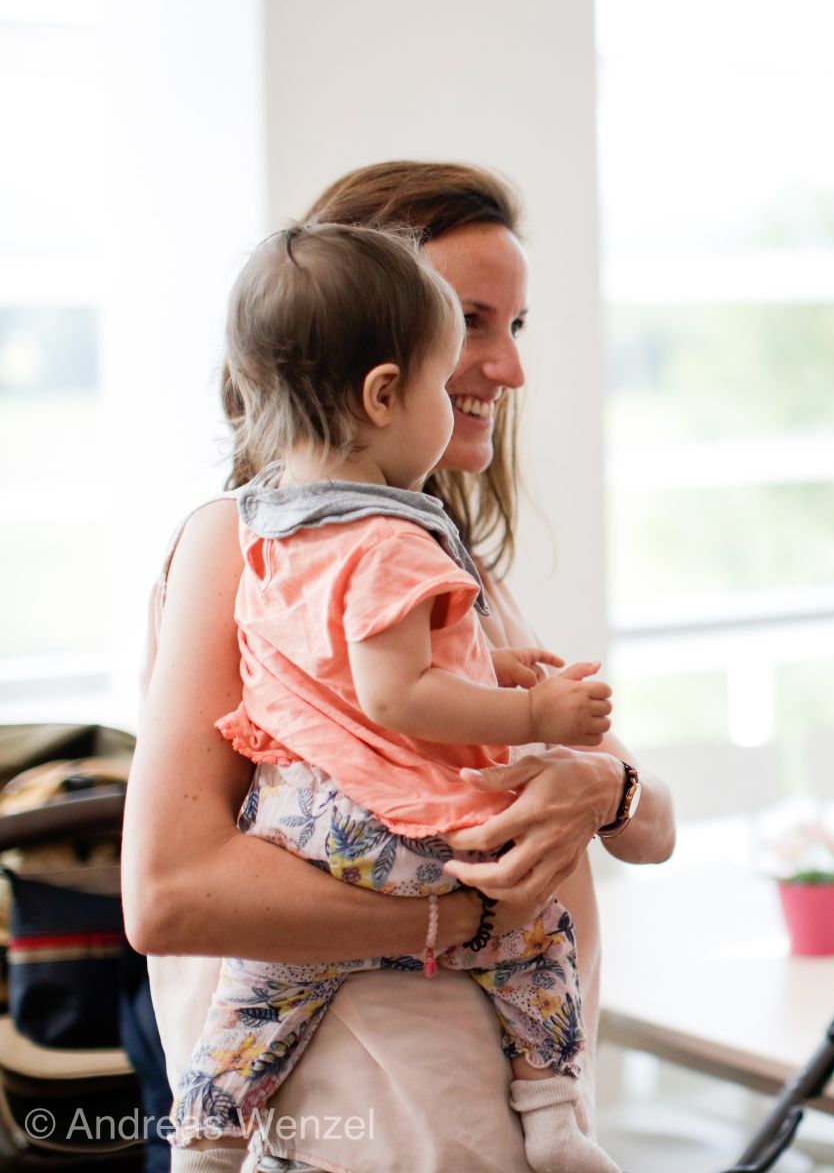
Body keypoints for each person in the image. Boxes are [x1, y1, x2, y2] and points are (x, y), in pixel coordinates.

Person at [124, 163, 674, 1173]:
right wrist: (461, 917)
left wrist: (601, 785)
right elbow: (169, 896)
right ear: (370, 359)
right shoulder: (238, 548)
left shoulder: (441, 567)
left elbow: (652, 826)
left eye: (516, 325)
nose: (505, 368)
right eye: (469, 322)